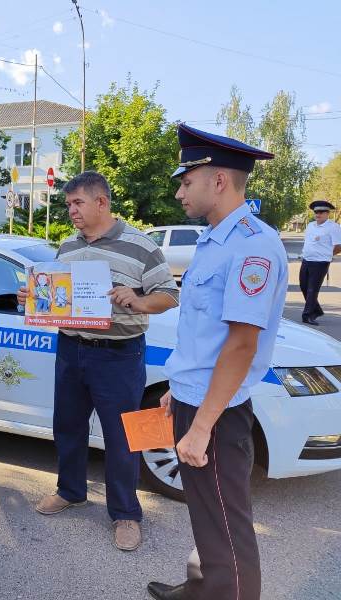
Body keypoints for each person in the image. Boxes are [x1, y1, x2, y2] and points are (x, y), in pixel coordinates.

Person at [147, 124, 287, 600]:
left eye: (187, 181)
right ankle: (200, 589)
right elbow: (205, 337)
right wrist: (177, 386)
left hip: (218, 414)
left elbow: (241, 345)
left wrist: (203, 425)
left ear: (219, 181)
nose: (179, 190)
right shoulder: (213, 240)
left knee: (229, 533)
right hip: (197, 398)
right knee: (207, 518)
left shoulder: (252, 245)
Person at [18, 171, 179, 552]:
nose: (71, 210)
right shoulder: (66, 247)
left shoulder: (141, 246)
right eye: (69, 204)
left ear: (101, 203)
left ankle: (125, 513)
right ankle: (70, 491)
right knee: (68, 426)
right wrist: (32, 298)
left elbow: (169, 296)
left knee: (122, 436)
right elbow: (54, 301)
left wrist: (137, 300)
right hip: (71, 349)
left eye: (78, 203)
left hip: (119, 354)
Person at [299, 200, 341, 325]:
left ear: (327, 213)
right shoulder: (310, 225)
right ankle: (316, 310)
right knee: (304, 286)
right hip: (306, 260)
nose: (318, 214)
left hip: (320, 263)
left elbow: (338, 246)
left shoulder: (333, 227)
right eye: (316, 212)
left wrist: (327, 255)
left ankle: (308, 315)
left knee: (312, 289)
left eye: (321, 212)